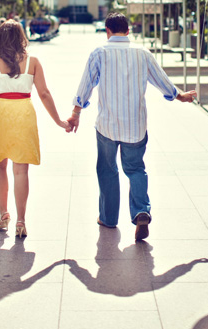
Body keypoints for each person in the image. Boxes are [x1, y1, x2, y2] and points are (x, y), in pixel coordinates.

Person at [67, 12, 197, 242]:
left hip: (107, 125)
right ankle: (140, 212)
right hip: (136, 126)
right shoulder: (142, 54)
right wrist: (181, 96)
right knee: (135, 169)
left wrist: (76, 112)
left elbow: (85, 85)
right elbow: (162, 81)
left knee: (107, 170)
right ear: (128, 31)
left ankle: (108, 218)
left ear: (107, 31)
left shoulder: (100, 53)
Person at [0, 20, 72, 238]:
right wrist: (59, 121)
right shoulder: (33, 62)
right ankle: (21, 221)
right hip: (24, 114)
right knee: (21, 170)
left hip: (2, 114)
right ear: (21, 36)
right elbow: (44, 93)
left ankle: (4, 214)